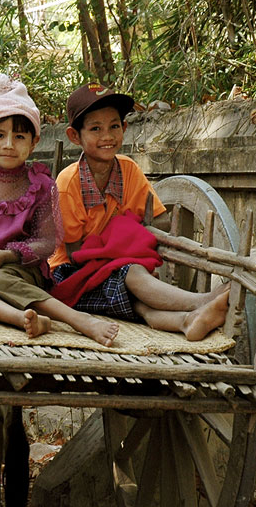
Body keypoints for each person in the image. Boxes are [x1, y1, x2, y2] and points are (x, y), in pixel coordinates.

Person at [0, 74, 120, 345]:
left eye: (19, 136)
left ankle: (79, 320)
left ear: (33, 143)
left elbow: (47, 242)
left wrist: (10, 254)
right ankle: (22, 318)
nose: (8, 144)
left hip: (18, 271)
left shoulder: (40, 184)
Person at [48, 82, 230, 341]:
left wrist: (124, 236)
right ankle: (200, 302)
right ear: (75, 136)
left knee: (138, 299)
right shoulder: (68, 184)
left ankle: (187, 322)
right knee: (131, 272)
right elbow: (75, 253)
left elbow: (160, 221)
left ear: (123, 128)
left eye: (114, 126)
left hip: (108, 267)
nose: (107, 136)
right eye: (95, 129)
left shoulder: (129, 170)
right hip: (69, 276)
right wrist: (122, 237)